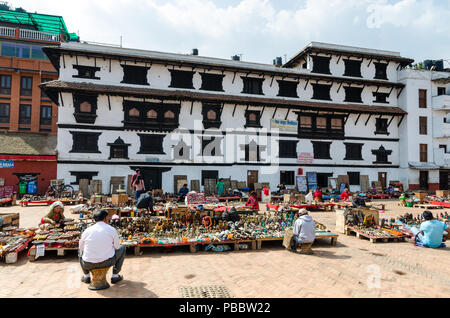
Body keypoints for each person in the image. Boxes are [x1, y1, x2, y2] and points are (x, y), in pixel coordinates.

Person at [79, 210, 125, 285]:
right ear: (105, 218)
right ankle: (115, 276)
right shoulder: (111, 229)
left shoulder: (87, 230)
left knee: (80, 251)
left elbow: (81, 248)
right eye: (108, 217)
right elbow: (117, 247)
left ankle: (86, 276)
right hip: (107, 262)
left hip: (88, 263)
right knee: (122, 248)